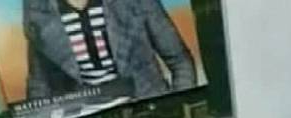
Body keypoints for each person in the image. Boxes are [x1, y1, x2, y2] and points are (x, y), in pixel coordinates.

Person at [24, 0, 197, 101]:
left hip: (149, 113)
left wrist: (177, 107)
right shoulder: (37, 8)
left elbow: (180, 61)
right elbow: (39, 85)